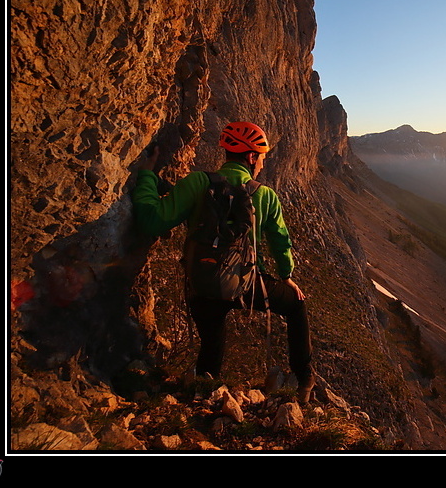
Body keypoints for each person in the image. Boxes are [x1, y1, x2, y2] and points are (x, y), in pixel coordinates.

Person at [132, 121, 315, 404]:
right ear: (251, 156)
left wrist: (146, 177)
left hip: (202, 283)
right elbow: (280, 241)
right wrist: (286, 275)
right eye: (262, 158)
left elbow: (152, 220)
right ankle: (304, 381)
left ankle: (206, 392)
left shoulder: (196, 183)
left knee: (212, 338)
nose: (262, 164)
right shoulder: (265, 195)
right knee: (296, 304)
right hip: (247, 284)